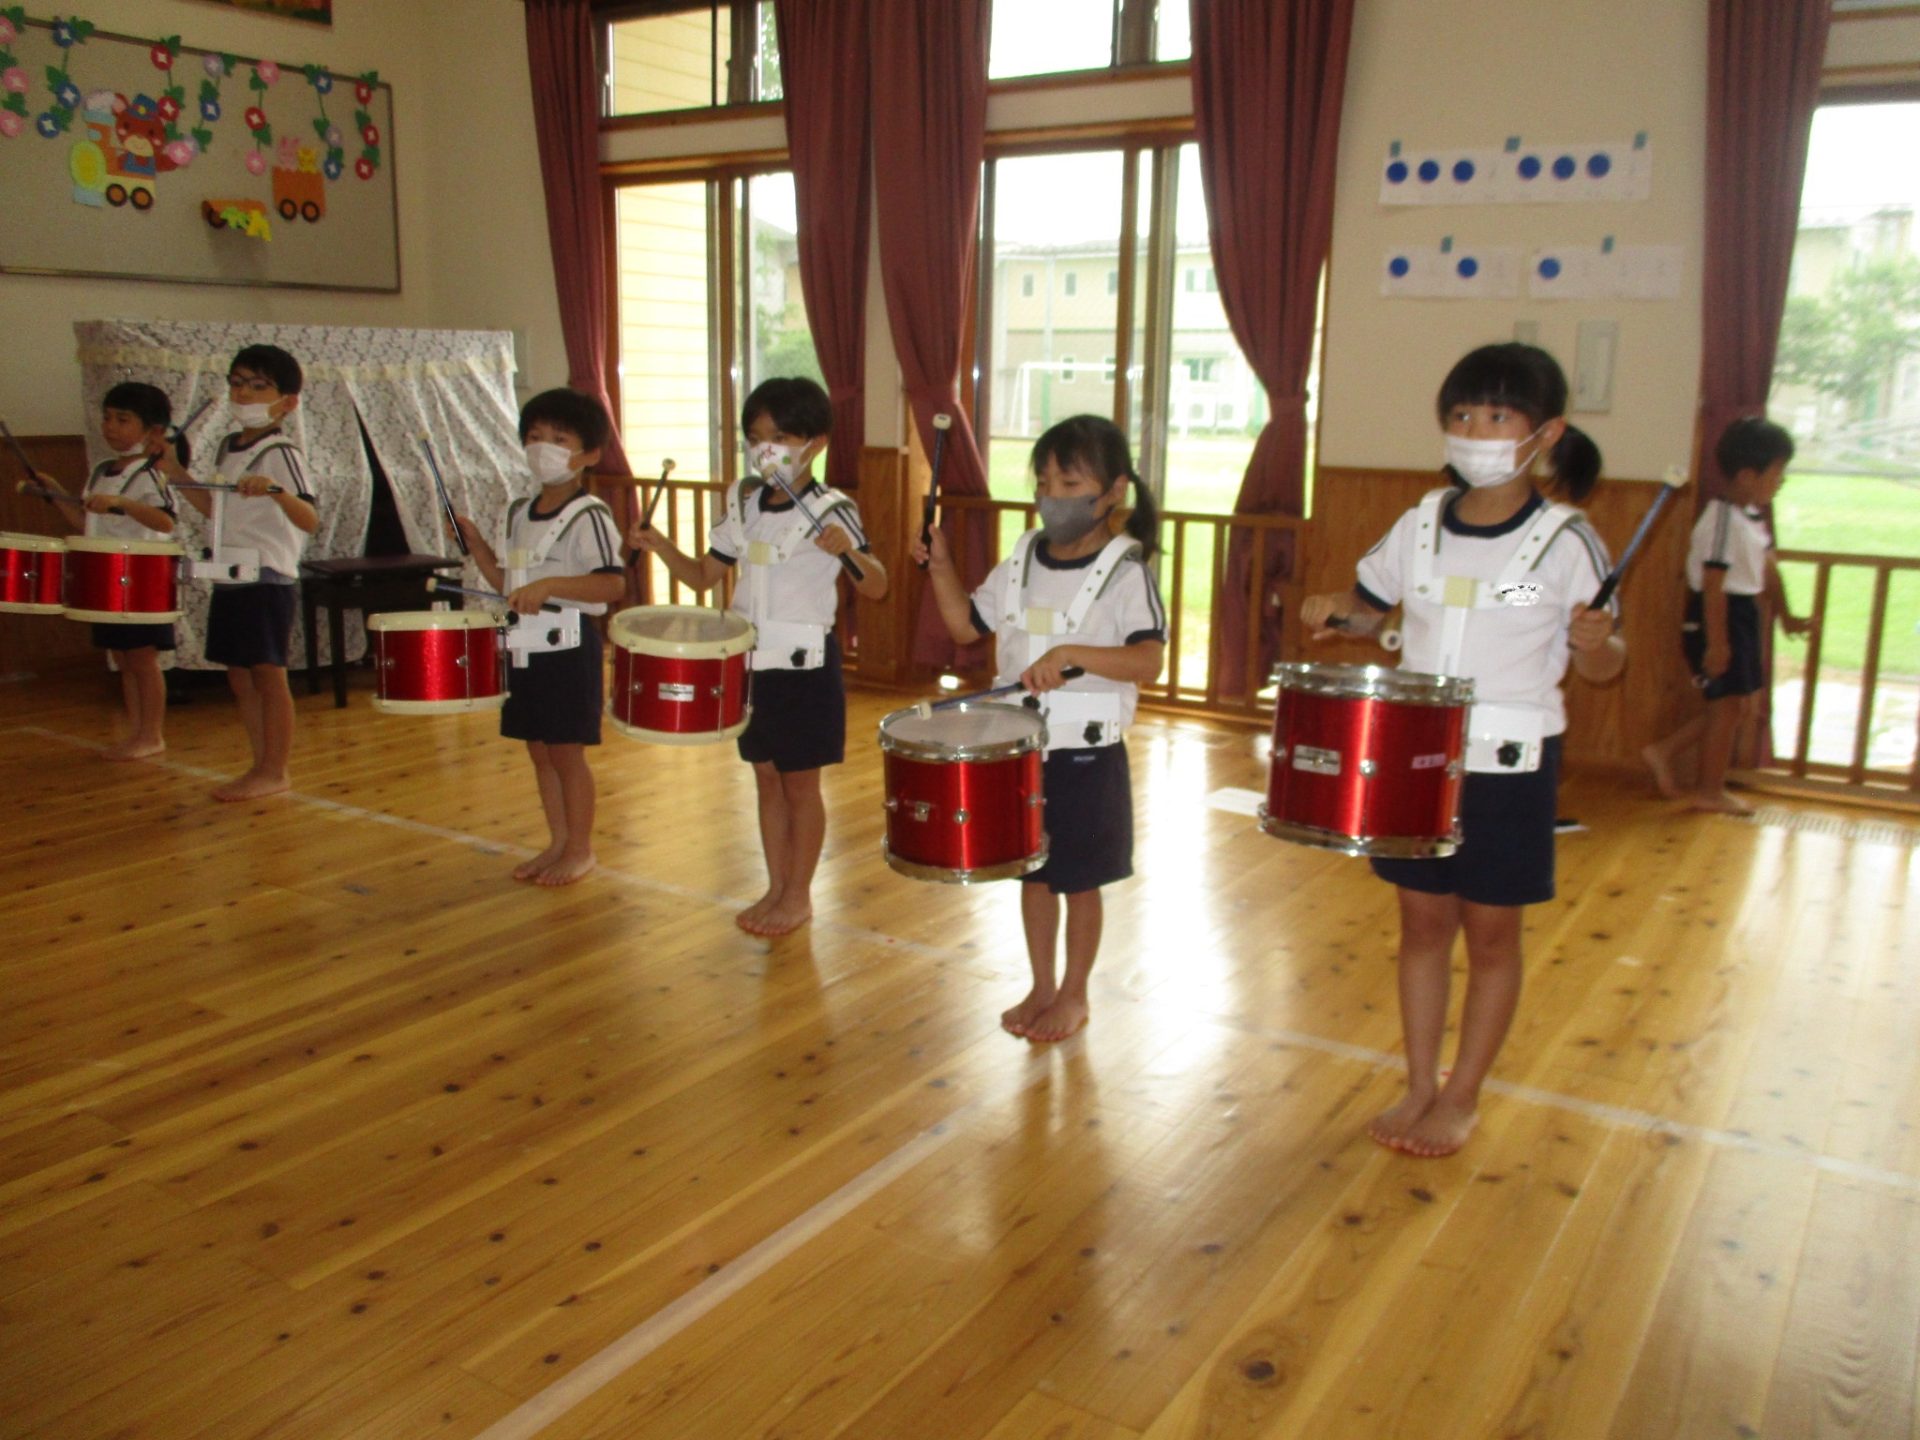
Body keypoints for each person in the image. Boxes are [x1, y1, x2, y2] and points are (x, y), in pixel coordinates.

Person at [1301, 343, 1625, 1156]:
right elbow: (1376, 608)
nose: (1475, 431)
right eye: (1462, 415)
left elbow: (1597, 656)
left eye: (1497, 416)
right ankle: (1418, 1084)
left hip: (1507, 768)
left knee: (1490, 937)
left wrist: (1595, 643)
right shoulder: (1420, 527)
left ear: (1546, 433)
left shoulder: (1561, 543)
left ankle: (1462, 1095)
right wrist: (1336, 611)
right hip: (1416, 760)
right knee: (1420, 926)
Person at [914, 414, 1166, 1043]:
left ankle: (1075, 994)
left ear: (1114, 492)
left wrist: (1075, 654)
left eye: (1070, 483)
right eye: (1044, 483)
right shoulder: (1022, 558)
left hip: (1087, 756)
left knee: (1079, 881)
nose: (1053, 497)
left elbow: (1148, 661)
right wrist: (941, 567)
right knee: (1033, 873)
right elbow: (966, 626)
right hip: (1020, 753)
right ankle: (1041, 986)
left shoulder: (1126, 572)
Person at [629, 376, 888, 936]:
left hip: (804, 668)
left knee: (801, 786)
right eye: (755, 437)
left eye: (780, 437)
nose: (764, 449)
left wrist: (849, 552)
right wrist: (660, 546)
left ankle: (798, 895)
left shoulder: (834, 508)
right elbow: (704, 576)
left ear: (815, 443)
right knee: (766, 778)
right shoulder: (743, 504)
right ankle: (775, 887)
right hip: (749, 664)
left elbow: (877, 586)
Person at [450, 387, 626, 887]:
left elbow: (612, 584)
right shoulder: (517, 512)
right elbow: (508, 585)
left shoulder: (591, 514)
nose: (543, 446)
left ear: (589, 453)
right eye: (534, 436)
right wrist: (478, 546)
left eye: (559, 438)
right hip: (523, 645)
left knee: (566, 752)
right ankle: (557, 841)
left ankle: (581, 848)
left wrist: (550, 586)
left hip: (569, 647)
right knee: (539, 750)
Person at [153, 345, 318, 802]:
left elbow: (309, 519)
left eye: (258, 386)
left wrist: (276, 491)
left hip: (266, 576)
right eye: (238, 383)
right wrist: (175, 471)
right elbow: (216, 511)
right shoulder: (230, 447)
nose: (243, 393)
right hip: (231, 572)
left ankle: (275, 769)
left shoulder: (282, 452)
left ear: (288, 402)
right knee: (240, 677)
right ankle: (259, 765)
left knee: (268, 675)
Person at [1641, 417, 1814, 813]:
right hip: (1717, 616)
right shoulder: (1720, 518)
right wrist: (1717, 643)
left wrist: (1786, 616)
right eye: (1777, 473)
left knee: (1735, 707)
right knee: (1728, 706)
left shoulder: (1751, 517)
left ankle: (1663, 752)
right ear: (1748, 475)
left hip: (1742, 614)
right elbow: (1713, 583)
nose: (1781, 481)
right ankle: (1709, 791)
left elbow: (1767, 569)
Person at [31, 382, 182, 759]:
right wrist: (55, 493)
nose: (111, 426)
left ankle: (152, 733)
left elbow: (166, 521)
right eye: (108, 418)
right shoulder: (101, 471)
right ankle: (137, 732)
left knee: (143, 659)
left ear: (152, 430)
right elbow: (88, 523)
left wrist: (124, 503)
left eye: (123, 419)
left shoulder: (151, 472)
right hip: (106, 574)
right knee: (123, 659)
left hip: (141, 575)